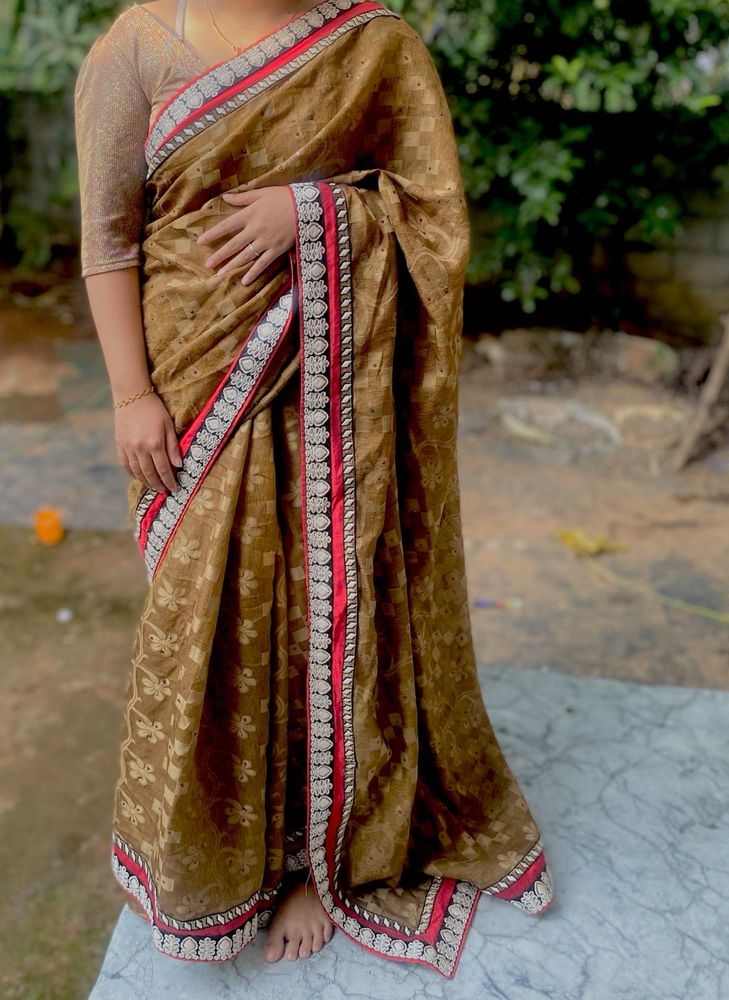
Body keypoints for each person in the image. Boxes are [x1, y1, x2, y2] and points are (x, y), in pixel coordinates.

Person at [73, 0, 555, 979]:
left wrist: (315, 213)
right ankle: (229, 854)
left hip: (345, 392)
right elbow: (110, 237)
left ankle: (321, 859)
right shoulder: (138, 43)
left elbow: (434, 216)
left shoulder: (374, 45)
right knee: (223, 623)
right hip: (198, 382)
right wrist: (131, 394)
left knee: (332, 613)